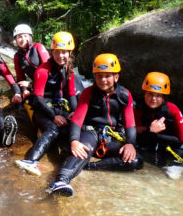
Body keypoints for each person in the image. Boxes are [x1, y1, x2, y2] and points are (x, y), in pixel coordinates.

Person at [46, 53, 142, 197]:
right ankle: (61, 181)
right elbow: (77, 120)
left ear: (116, 77)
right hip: (90, 132)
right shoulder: (88, 93)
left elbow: (130, 124)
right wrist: (74, 141)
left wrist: (130, 143)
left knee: (135, 161)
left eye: (107, 76)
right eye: (99, 76)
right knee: (81, 150)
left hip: (108, 137)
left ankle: (89, 166)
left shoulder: (124, 95)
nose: (103, 80)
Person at [15, 31, 81, 176]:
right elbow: (38, 99)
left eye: (64, 52)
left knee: (74, 127)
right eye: (58, 52)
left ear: (70, 53)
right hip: (41, 108)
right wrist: (53, 117)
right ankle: (31, 160)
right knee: (53, 128)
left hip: (59, 107)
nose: (61, 56)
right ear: (52, 52)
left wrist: (74, 113)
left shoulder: (68, 70)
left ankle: (68, 157)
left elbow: (71, 94)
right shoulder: (43, 70)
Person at [134, 72, 183, 179]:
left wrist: (154, 134)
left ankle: (176, 166)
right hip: (149, 144)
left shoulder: (173, 110)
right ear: (145, 93)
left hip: (172, 146)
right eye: (150, 94)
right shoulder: (138, 109)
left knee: (171, 172)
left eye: (158, 96)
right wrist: (150, 130)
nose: (153, 98)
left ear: (164, 97)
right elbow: (136, 135)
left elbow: (181, 139)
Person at [13, 24, 50, 102]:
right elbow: (20, 79)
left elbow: (50, 71)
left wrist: (30, 84)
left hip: (51, 82)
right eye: (19, 37)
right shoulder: (17, 57)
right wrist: (24, 90)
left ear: (30, 37)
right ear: (16, 39)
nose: (23, 39)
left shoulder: (38, 47)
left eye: (25, 36)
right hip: (37, 86)